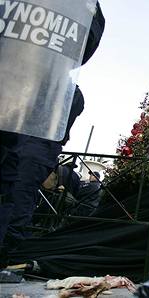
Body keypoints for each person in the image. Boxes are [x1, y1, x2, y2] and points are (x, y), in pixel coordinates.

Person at [0, 2, 105, 268]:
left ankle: (6, 256)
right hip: (13, 112)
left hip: (35, 142)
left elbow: (86, 36)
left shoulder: (70, 93)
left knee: (16, 195)